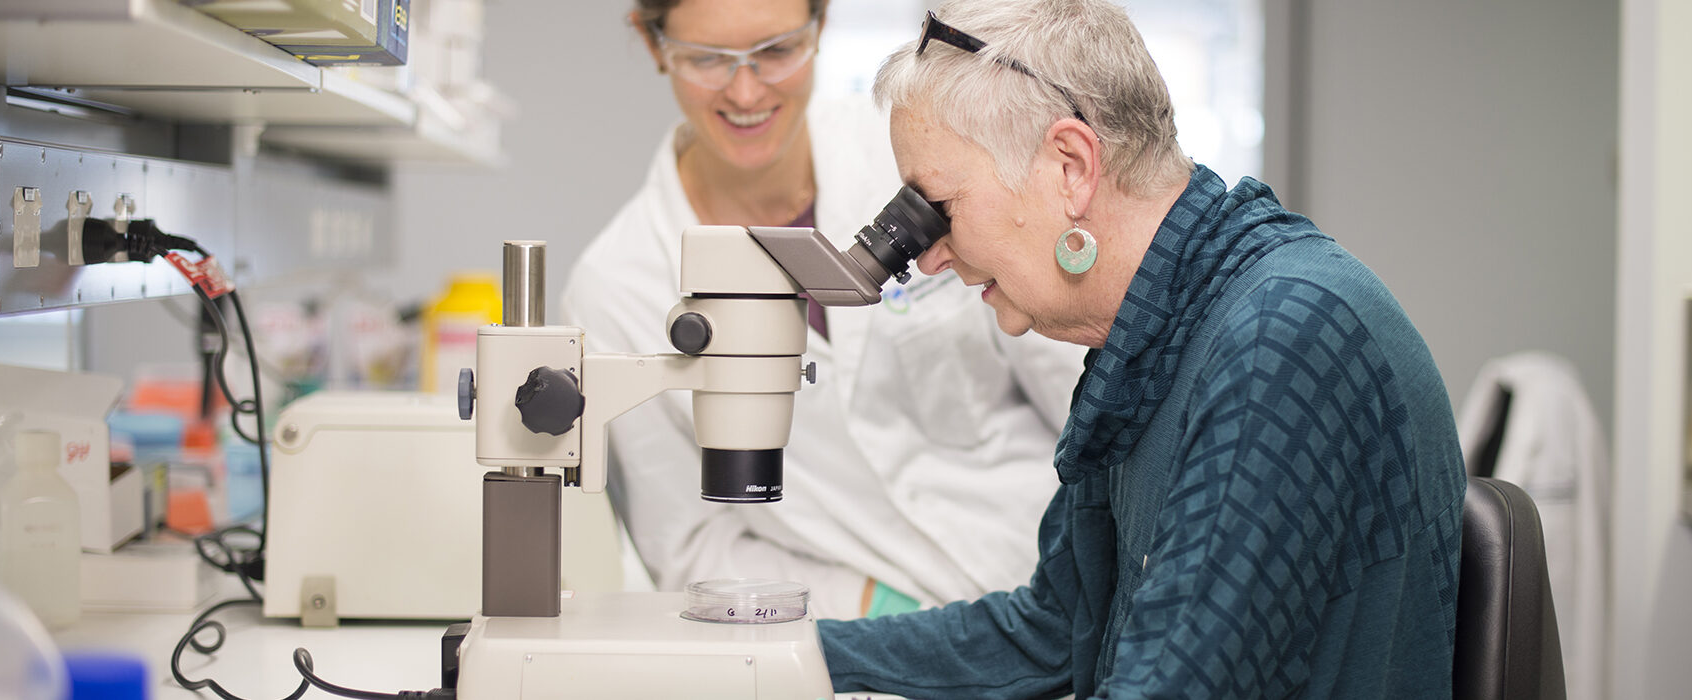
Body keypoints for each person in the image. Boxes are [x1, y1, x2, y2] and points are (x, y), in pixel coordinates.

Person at [817, 0, 1467, 697]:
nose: (933, 259)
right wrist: (783, 653)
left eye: (938, 209)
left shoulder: (1279, 343)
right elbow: (1051, 631)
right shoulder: (1154, 338)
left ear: (1071, 166)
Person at [559, 0, 1085, 621]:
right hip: (870, 632)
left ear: (819, 29)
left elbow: (1073, 382)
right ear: (655, 48)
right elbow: (692, 544)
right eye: (707, 60)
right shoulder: (616, 285)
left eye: (776, 51)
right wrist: (888, 616)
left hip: (1061, 570)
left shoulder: (916, 155)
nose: (746, 89)